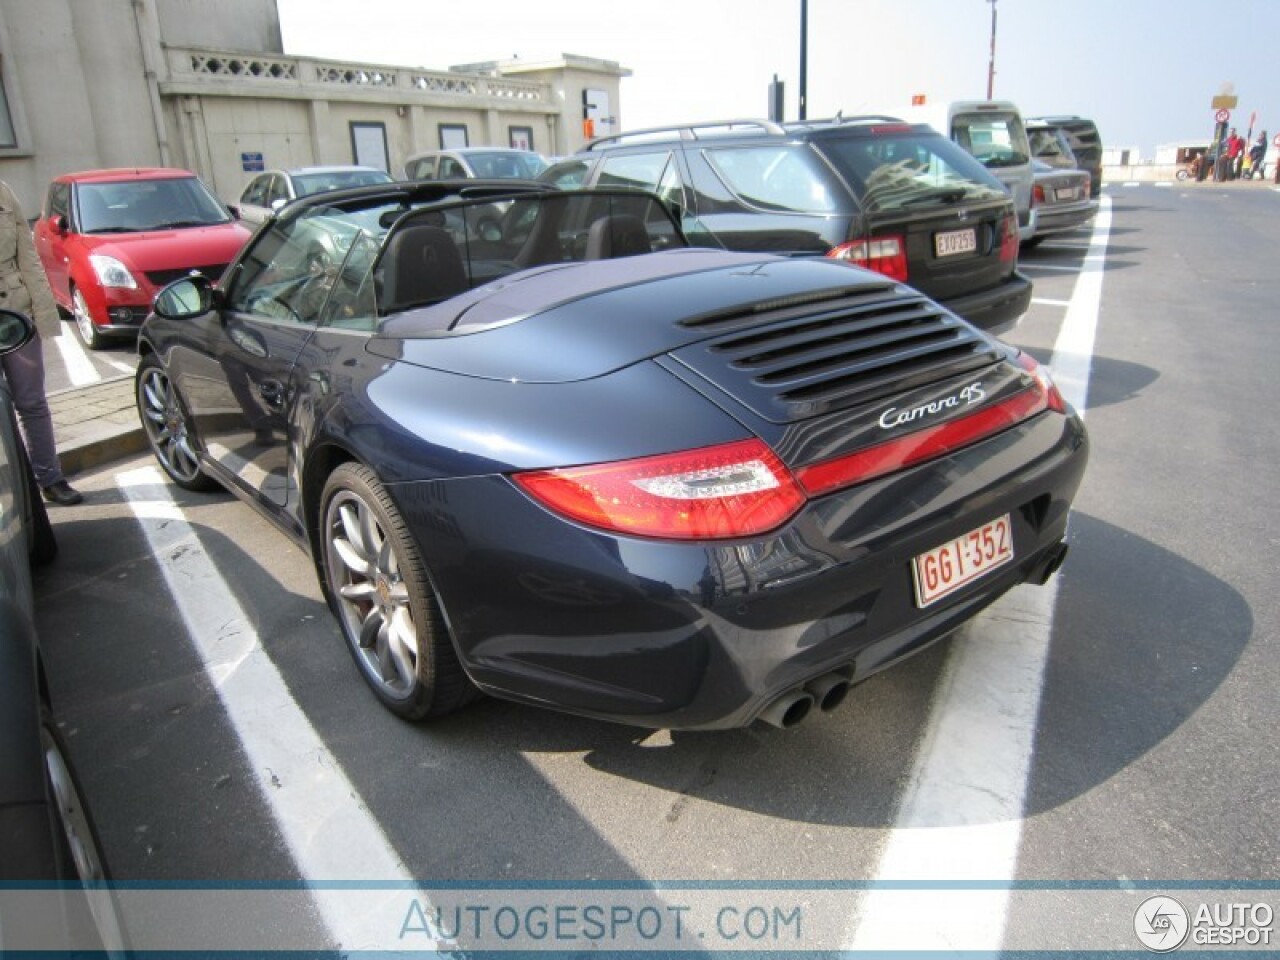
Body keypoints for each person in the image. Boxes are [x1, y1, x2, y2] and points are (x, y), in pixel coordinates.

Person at [0, 180, 83, 505]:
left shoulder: (4, 190)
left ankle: (50, 478)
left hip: (16, 313)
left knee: (32, 403)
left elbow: (28, 257)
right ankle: (12, 493)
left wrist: (43, 316)